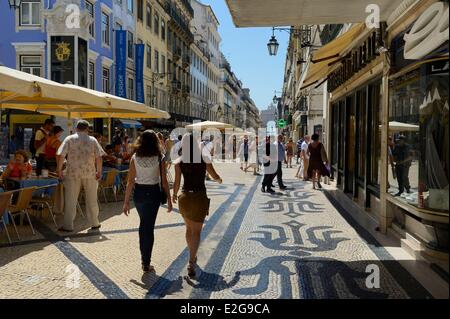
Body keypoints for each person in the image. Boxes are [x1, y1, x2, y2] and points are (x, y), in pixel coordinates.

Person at [172, 133, 222, 277]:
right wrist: (219, 180)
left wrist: (174, 195)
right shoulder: (204, 158)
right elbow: (213, 174)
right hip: (200, 197)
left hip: (185, 197)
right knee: (197, 232)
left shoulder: (179, 161)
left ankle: (192, 257)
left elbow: (176, 182)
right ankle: (191, 261)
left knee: (189, 229)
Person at [123, 130, 172, 273]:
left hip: (139, 193)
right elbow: (164, 182)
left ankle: (145, 260)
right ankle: (146, 262)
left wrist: (126, 202)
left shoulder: (135, 157)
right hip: (153, 193)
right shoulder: (159, 157)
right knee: (148, 227)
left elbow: (130, 182)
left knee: (144, 224)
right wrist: (169, 199)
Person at [56, 120, 105, 232]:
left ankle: (68, 225)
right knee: (92, 199)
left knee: (71, 199)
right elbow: (99, 157)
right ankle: (95, 222)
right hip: (90, 173)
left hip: (72, 173)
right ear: (87, 129)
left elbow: (61, 155)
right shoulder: (93, 140)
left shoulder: (69, 139)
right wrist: (99, 171)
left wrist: (59, 170)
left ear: (76, 128)